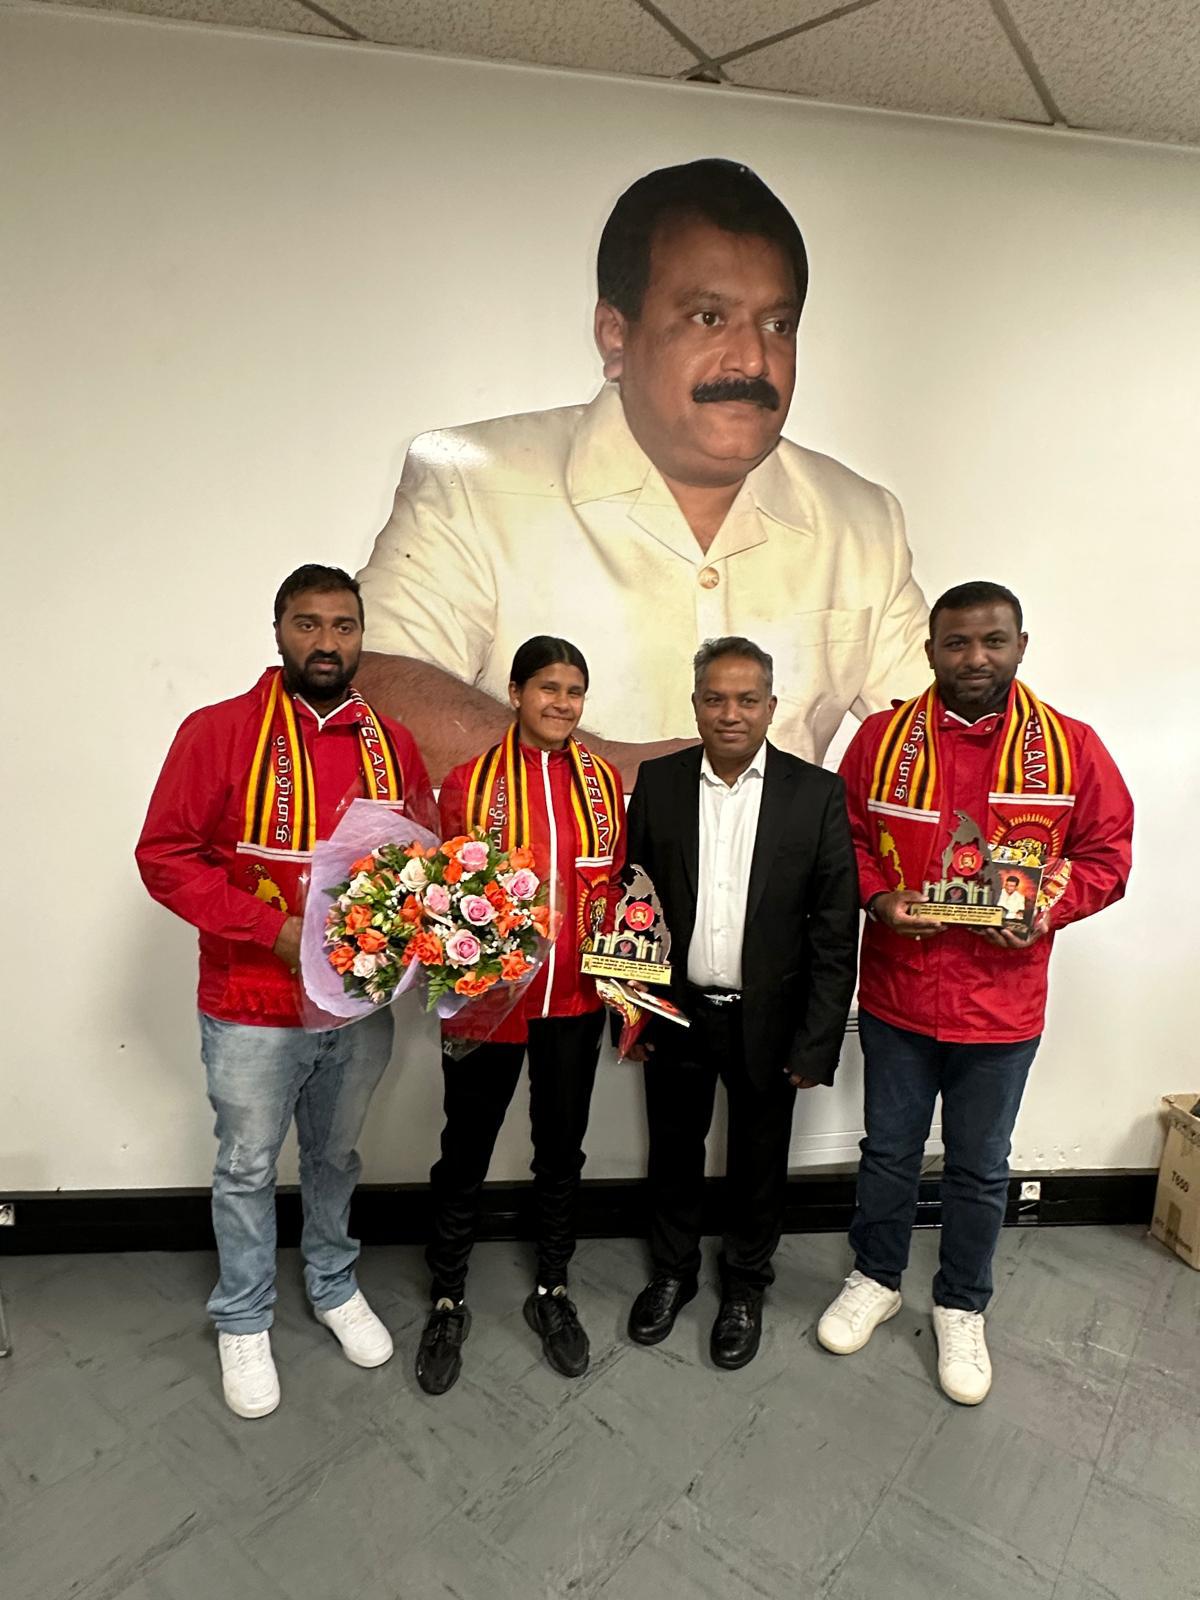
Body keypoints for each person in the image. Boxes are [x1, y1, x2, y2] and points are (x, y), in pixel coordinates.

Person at [355, 157, 929, 786]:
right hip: (541, 852)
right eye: (709, 318)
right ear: (615, 335)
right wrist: (609, 776)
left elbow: (949, 730)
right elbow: (375, 686)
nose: (752, 359)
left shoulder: (859, 520)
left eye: (777, 325)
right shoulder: (471, 481)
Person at [819, 581, 1133, 1404]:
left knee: (980, 1165)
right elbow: (845, 838)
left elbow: (1106, 856)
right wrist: (879, 897)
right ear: (930, 651)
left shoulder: (1072, 747)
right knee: (888, 1152)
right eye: (956, 642)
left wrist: (1045, 910)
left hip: (1001, 1005)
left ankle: (961, 1303)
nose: (975, 658)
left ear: (1021, 645)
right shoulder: (881, 739)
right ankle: (876, 1277)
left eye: (993, 641)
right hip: (898, 995)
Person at [136, 564, 435, 1419]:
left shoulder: (394, 743)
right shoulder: (218, 731)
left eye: (343, 625)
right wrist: (273, 930)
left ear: (361, 636)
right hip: (252, 1003)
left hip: (358, 1005)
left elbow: (424, 859)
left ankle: (333, 1283)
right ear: (278, 631)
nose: (327, 642)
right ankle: (243, 1315)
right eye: (308, 624)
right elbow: (165, 856)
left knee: (336, 1156)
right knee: (246, 1165)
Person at [622, 636, 859, 1368]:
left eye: (747, 699)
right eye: (716, 699)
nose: (731, 713)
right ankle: (672, 1272)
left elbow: (833, 927)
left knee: (760, 1160)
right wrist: (634, 1010)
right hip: (677, 1012)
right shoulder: (658, 783)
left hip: (770, 1019)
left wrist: (817, 1040)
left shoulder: (814, 794)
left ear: (771, 706)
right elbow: (632, 904)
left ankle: (746, 1285)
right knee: (674, 1151)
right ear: (696, 705)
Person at [415, 636, 626, 1395]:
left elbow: (618, 893)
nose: (562, 703)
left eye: (574, 690)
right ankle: (448, 1296)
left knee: (560, 1150)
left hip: (572, 1002)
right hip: (487, 1006)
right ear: (514, 692)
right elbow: (438, 892)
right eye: (548, 688)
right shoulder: (468, 783)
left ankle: (553, 1289)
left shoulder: (603, 784)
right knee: (465, 1149)